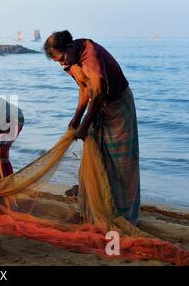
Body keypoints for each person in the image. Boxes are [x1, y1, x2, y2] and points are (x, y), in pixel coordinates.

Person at [44, 30, 140, 225]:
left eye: (62, 58)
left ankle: (122, 214)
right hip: (97, 105)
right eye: (58, 62)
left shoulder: (91, 56)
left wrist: (85, 124)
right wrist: (76, 119)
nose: (62, 64)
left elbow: (98, 93)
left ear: (69, 47)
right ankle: (94, 205)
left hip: (118, 105)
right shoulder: (71, 61)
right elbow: (84, 90)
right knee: (95, 155)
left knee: (121, 160)